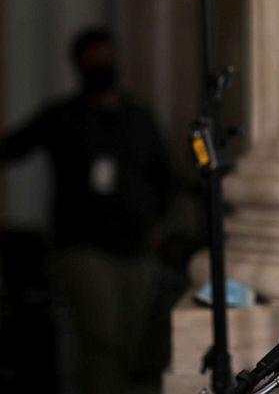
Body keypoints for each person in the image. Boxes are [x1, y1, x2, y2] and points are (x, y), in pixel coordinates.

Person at [0, 26, 176, 394]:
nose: (101, 65)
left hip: (138, 246)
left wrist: (160, 223)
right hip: (82, 246)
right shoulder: (62, 118)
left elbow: (164, 175)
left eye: (106, 58)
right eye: (92, 60)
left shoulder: (137, 118)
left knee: (137, 339)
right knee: (102, 336)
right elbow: (14, 147)